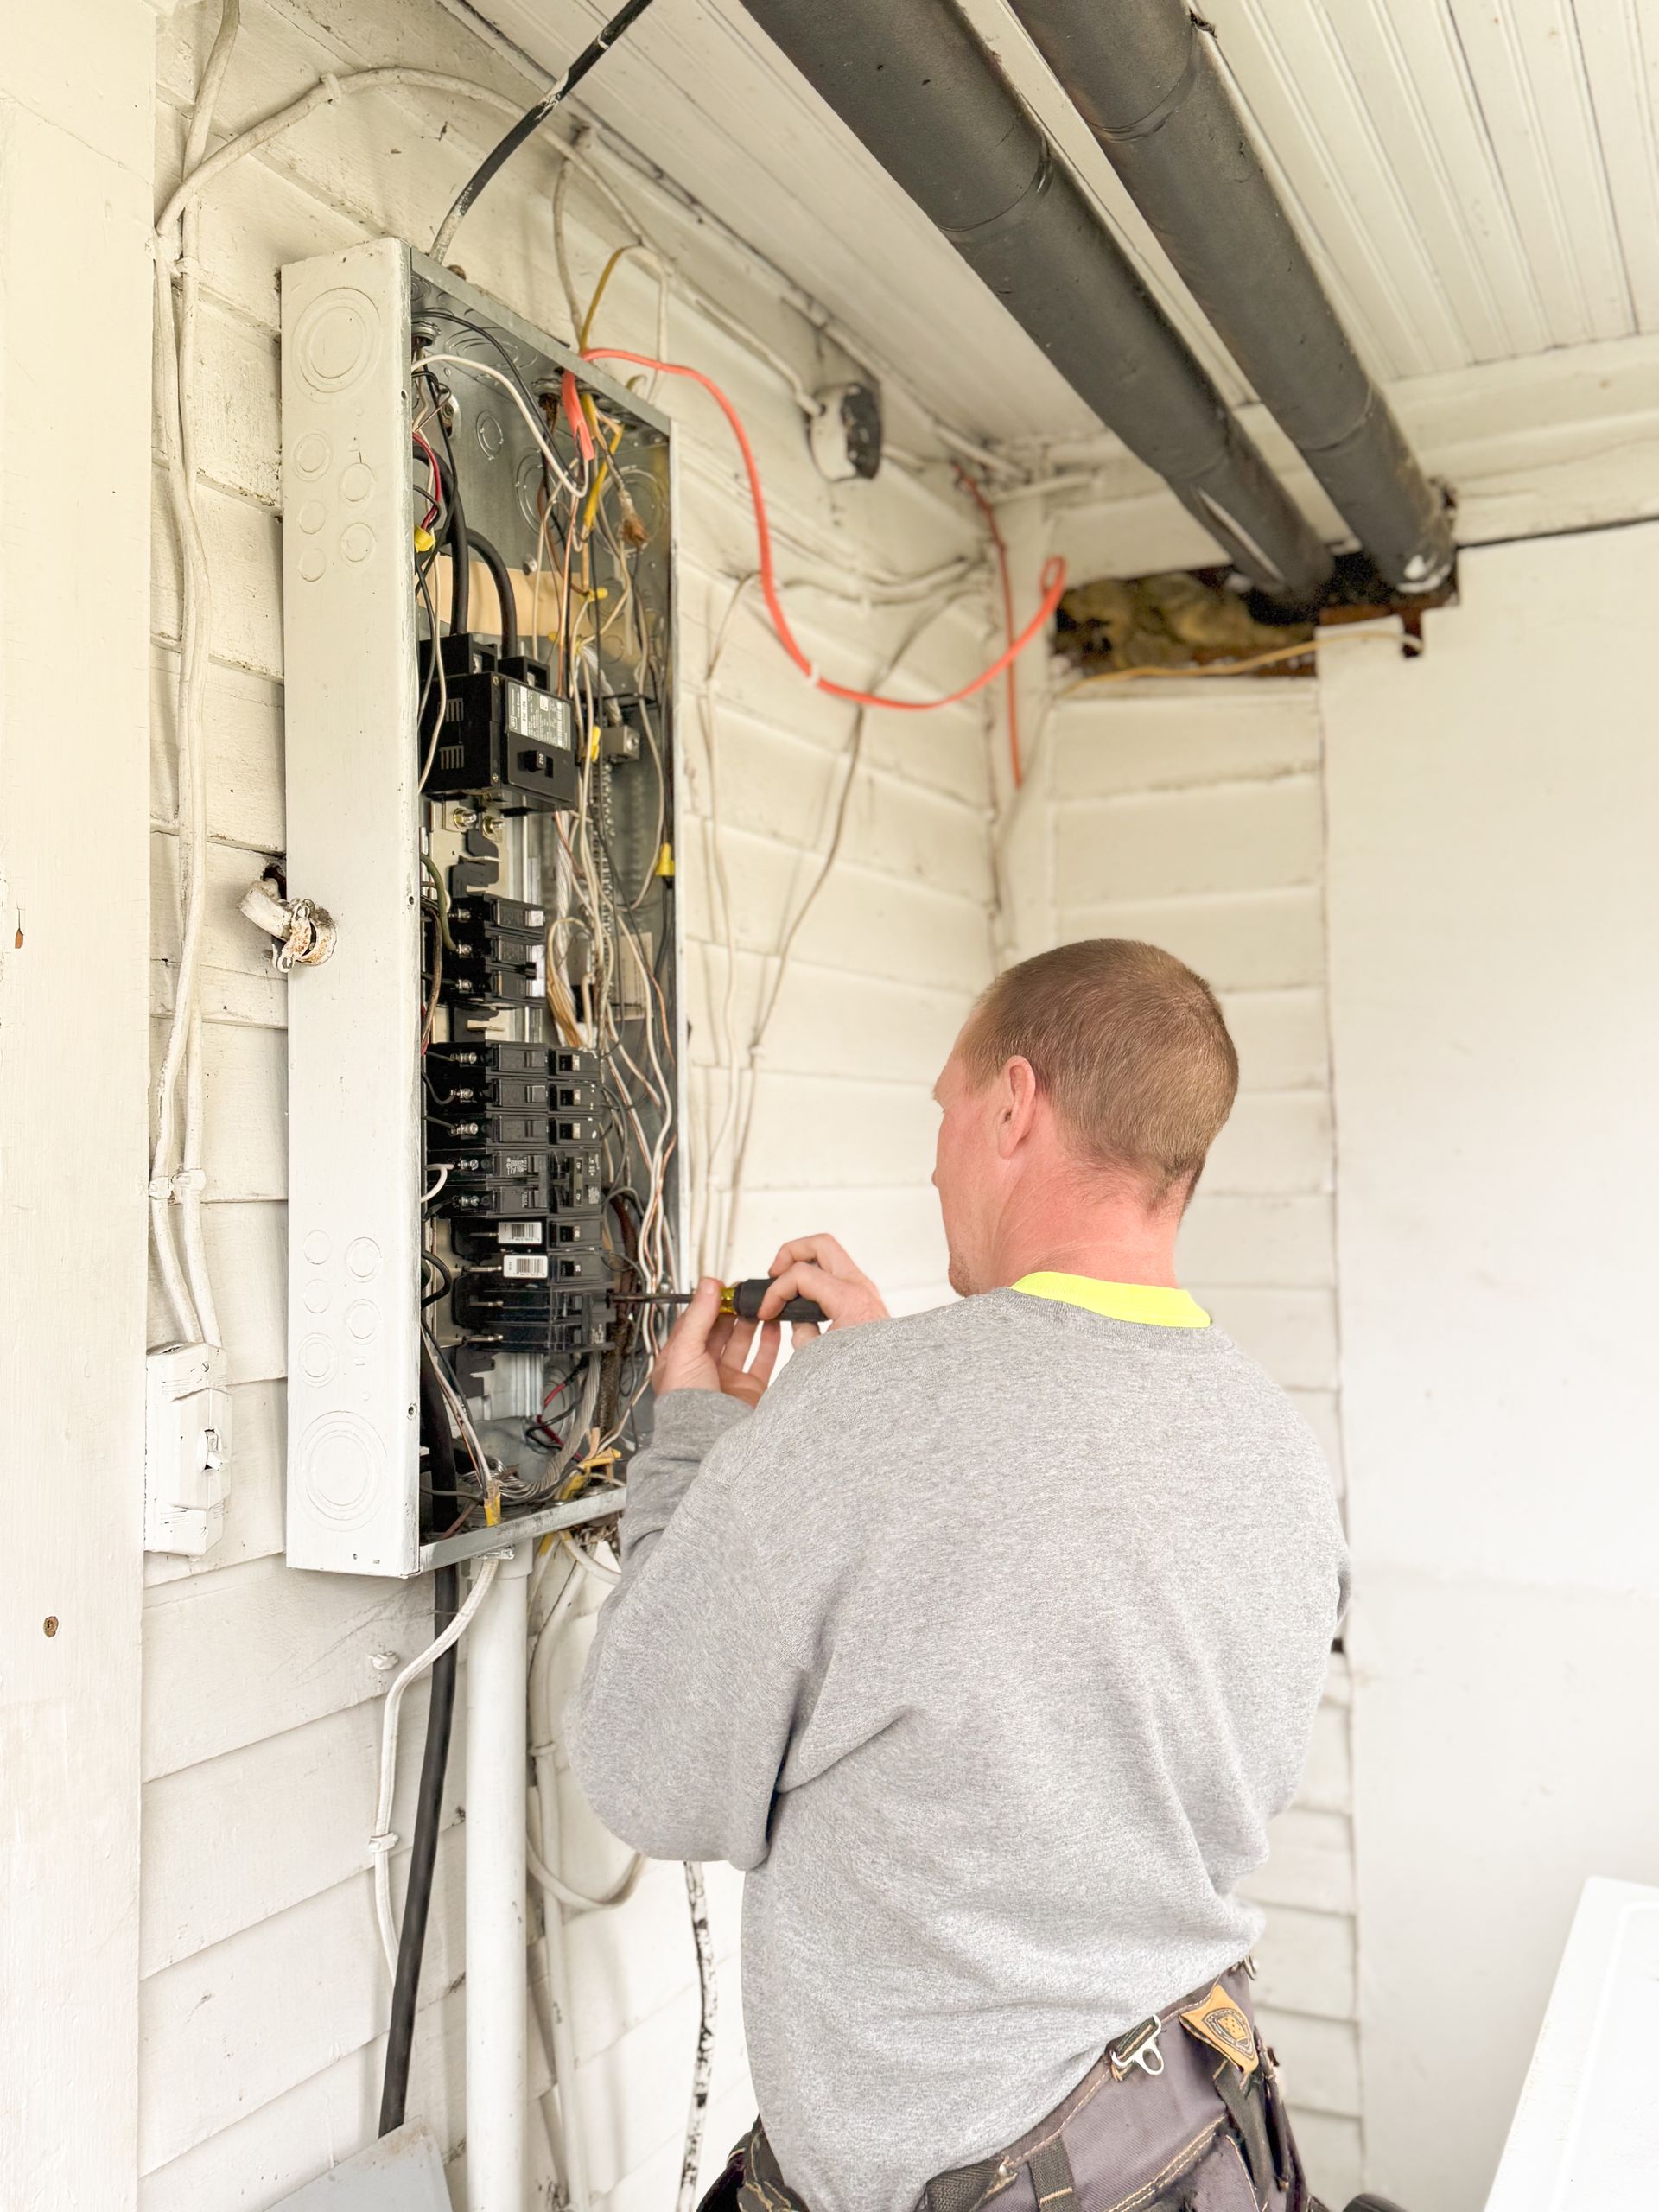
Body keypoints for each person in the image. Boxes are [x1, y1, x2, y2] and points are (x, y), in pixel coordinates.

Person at [568, 938, 1351, 2212]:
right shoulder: (1277, 1448)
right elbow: (1094, 1697)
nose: (934, 1159)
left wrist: (694, 1450)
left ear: (1015, 1104)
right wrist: (890, 1382)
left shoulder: (864, 1420)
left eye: (944, 1108)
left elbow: (652, 1770)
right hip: (1174, 2149)